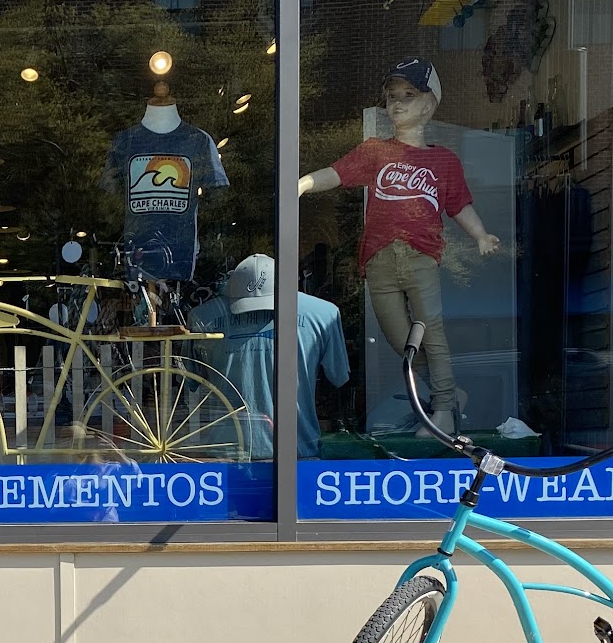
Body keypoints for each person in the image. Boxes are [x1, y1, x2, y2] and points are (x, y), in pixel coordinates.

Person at [300, 58, 500, 434]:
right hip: (379, 258)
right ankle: (448, 393)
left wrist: (480, 235)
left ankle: (444, 409)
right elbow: (337, 173)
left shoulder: (443, 160)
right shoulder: (375, 151)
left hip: (421, 255)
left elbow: (459, 205)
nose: (398, 103)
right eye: (392, 96)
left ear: (429, 104)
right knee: (399, 338)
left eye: (408, 95)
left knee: (432, 331)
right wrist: (304, 183)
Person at [189, 254, 350, 460]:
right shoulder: (323, 315)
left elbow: (188, 382)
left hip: (236, 453)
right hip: (289, 452)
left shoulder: (202, 318)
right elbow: (339, 379)